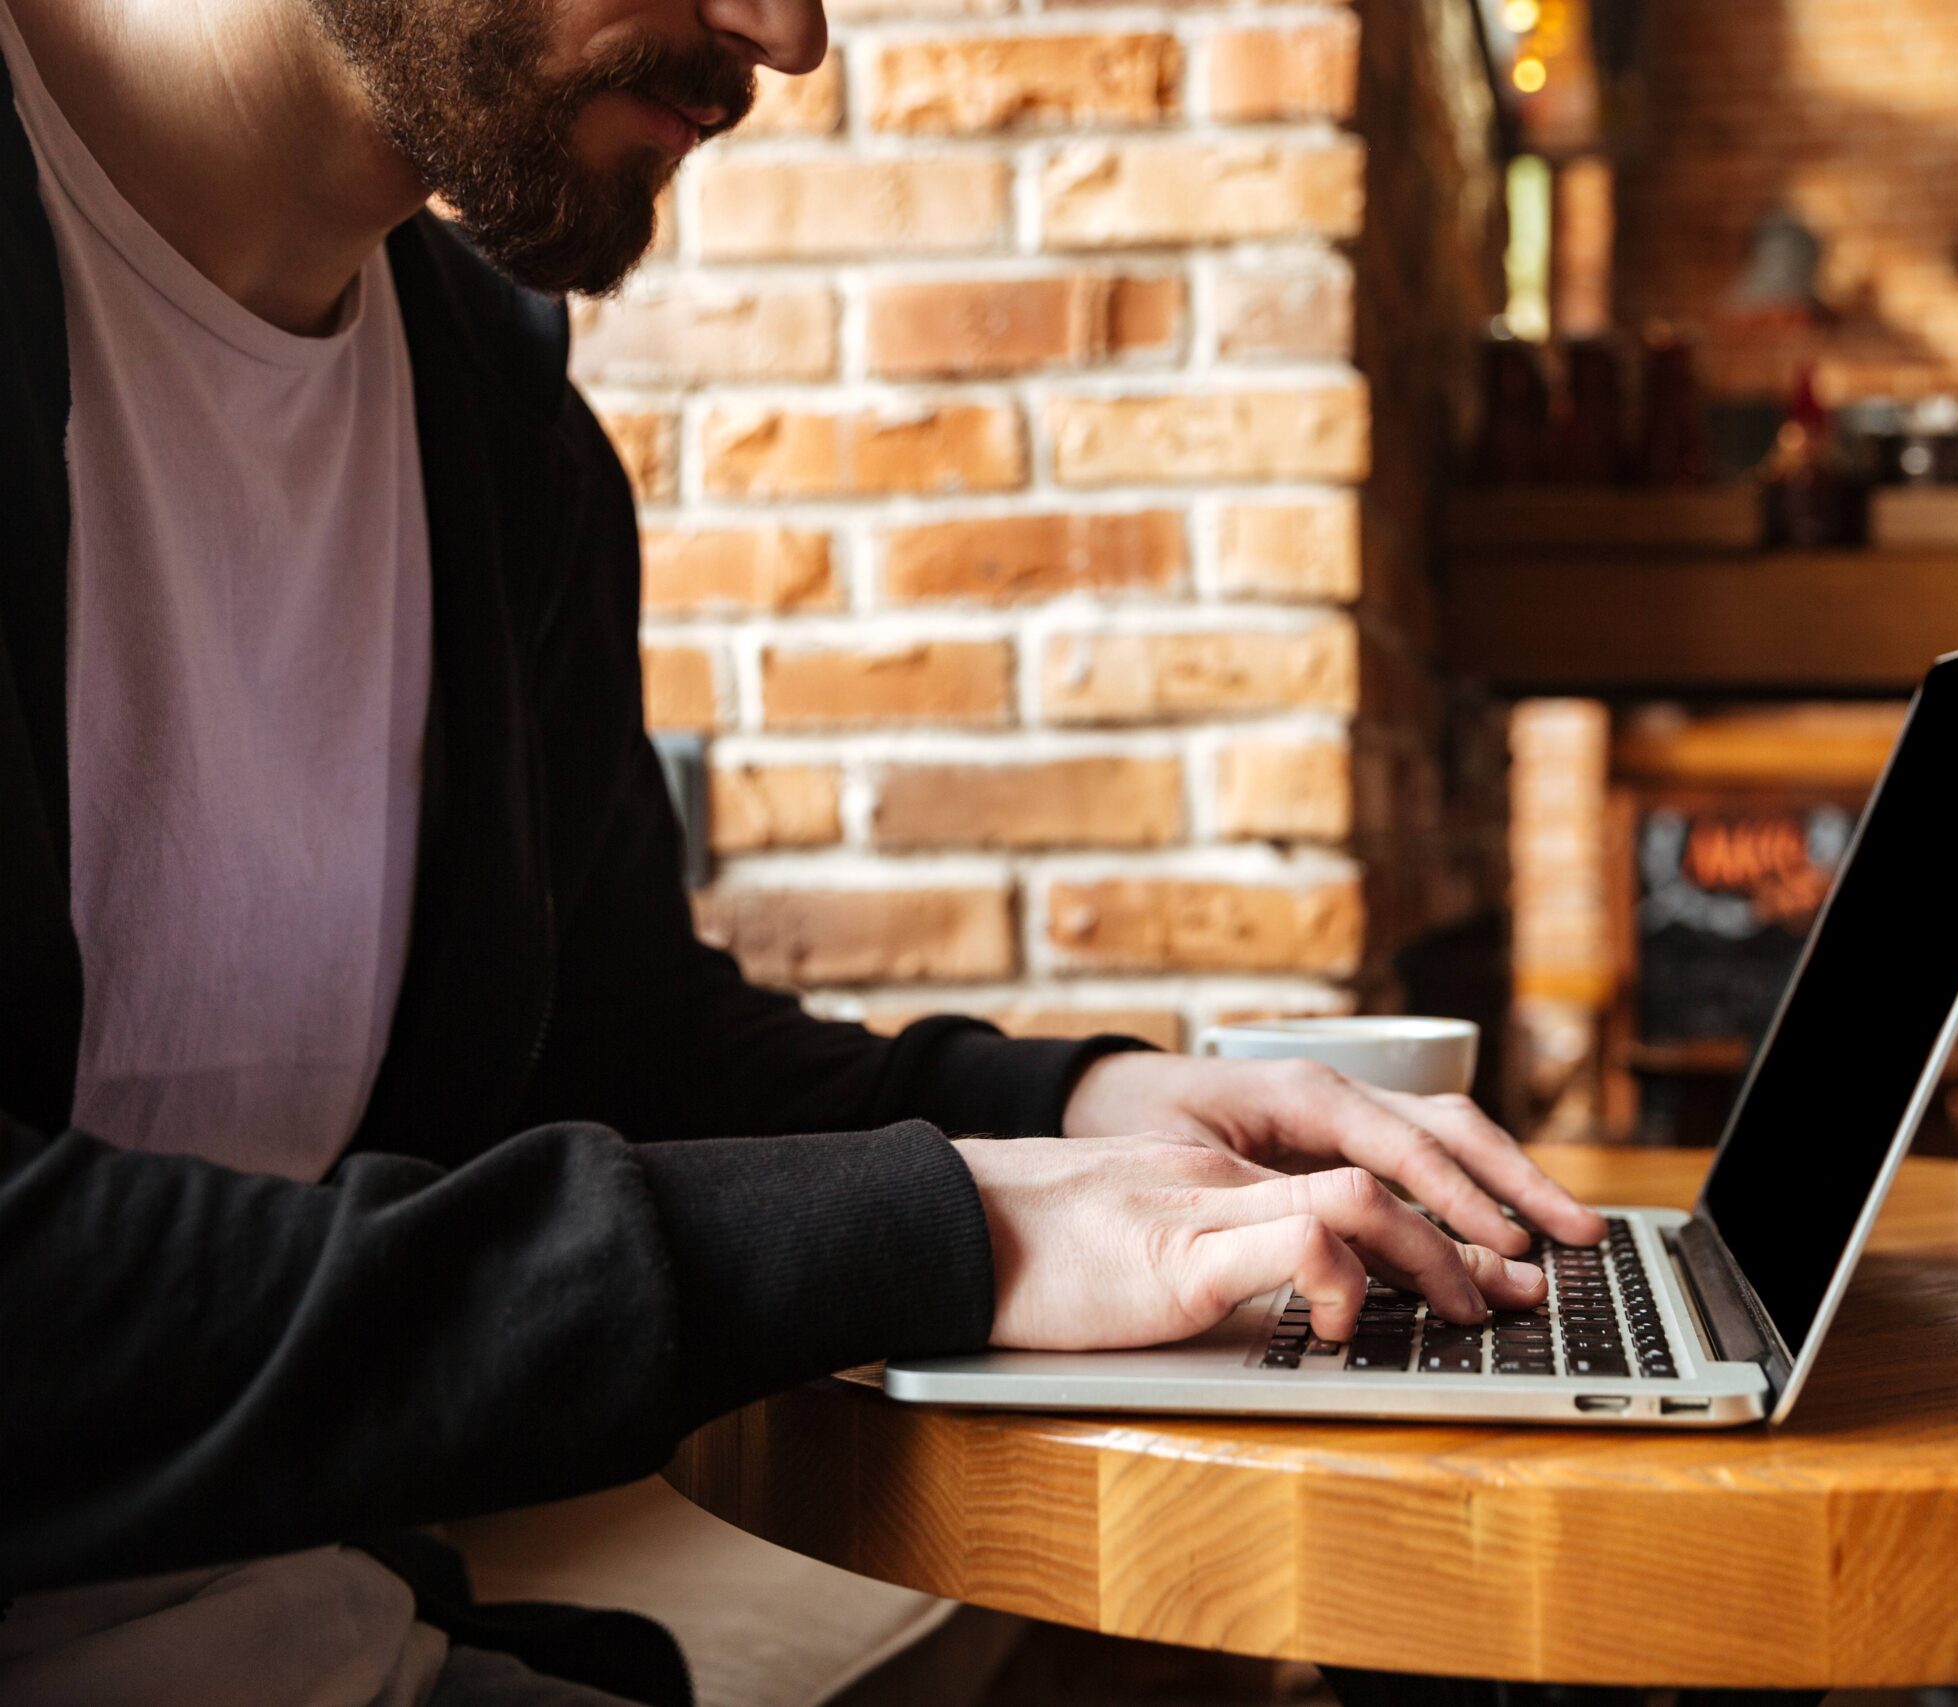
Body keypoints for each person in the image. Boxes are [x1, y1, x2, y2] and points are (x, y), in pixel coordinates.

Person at [0, 0, 1606, 1700]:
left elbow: (614, 1050)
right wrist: (942, 1227)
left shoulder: (495, 427)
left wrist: (1079, 1109)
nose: (784, 36)